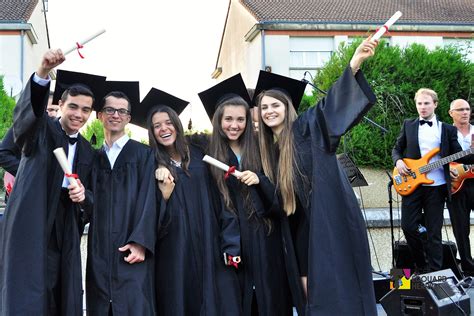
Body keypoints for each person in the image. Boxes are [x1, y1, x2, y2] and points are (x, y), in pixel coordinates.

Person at [254, 38, 378, 315]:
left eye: (275, 105)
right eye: (264, 108)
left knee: (332, 291)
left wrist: (354, 64)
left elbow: (331, 106)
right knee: (307, 292)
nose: (270, 111)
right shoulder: (266, 151)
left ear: (287, 107)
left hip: (324, 222)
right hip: (295, 227)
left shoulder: (306, 127)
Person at [0, 49, 104, 315]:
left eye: (85, 110)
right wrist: (43, 73)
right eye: (73, 106)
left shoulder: (87, 151)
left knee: (59, 285)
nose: (78, 114)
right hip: (32, 213)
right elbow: (28, 116)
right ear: (61, 104)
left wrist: (84, 197)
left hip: (64, 223)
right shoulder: (43, 128)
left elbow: (92, 198)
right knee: (28, 283)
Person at [139, 87, 241, 315]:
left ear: (177, 123)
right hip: (175, 253)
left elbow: (224, 200)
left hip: (211, 245)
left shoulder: (201, 154)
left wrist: (230, 244)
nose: (164, 129)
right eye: (157, 126)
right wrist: (163, 193)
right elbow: (147, 216)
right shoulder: (149, 163)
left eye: (168, 122)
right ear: (151, 132)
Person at [199, 74, 293, 315]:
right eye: (228, 119)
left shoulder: (265, 150)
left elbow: (280, 200)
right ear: (218, 121)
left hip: (264, 238)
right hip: (228, 240)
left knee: (268, 299)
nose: (234, 125)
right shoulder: (208, 154)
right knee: (233, 301)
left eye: (240, 119)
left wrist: (260, 181)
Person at [86, 81, 157, 315]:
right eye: (109, 110)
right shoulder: (93, 158)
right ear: (99, 115)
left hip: (132, 248)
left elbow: (149, 200)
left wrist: (141, 242)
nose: (115, 115)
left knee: (134, 304)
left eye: (122, 111)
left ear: (128, 118)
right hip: (99, 250)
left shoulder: (144, 154)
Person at [392, 90, 470, 273]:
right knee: (408, 226)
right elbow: (397, 148)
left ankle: (434, 273)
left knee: (434, 233)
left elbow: (459, 155)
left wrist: (471, 153)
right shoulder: (408, 125)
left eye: (426, 103)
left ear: (435, 104)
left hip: (437, 187)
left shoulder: (447, 129)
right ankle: (420, 264)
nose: (422, 107)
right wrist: (399, 161)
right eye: (419, 104)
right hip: (411, 184)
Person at [0, 91, 61, 203]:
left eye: (56, 110)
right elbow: (2, 154)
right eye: (50, 109)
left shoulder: (58, 130)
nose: (54, 114)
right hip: (21, 190)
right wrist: (28, 171)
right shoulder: (24, 125)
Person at [446, 99, 474, 275]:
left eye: (467, 109)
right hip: (456, 185)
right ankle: (469, 268)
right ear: (451, 113)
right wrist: (446, 169)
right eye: (460, 109)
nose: (465, 112)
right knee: (460, 228)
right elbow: (435, 157)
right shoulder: (445, 133)